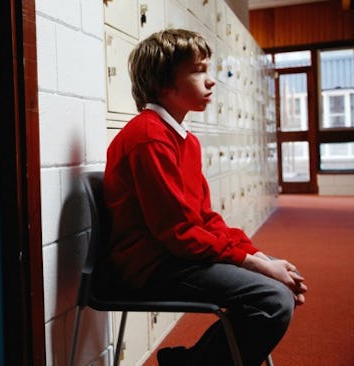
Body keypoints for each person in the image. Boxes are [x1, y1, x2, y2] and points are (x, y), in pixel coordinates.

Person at [102, 29, 307, 366]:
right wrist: (256, 264)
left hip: (175, 256)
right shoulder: (149, 137)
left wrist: (258, 256)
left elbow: (204, 218)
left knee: (276, 286)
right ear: (163, 82)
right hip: (153, 266)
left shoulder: (185, 140)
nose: (211, 81)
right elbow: (179, 233)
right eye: (198, 71)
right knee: (271, 300)